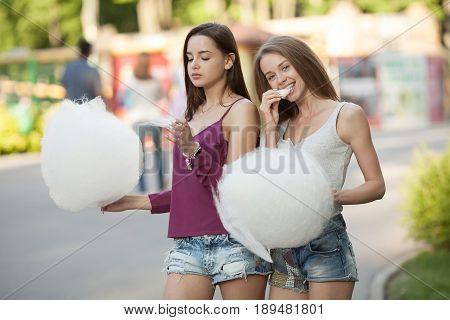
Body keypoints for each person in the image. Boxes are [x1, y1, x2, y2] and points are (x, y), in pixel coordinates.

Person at [101, 23, 271, 300]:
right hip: (188, 245)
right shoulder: (189, 117)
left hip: (235, 242)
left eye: (205, 57)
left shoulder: (241, 110)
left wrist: (193, 149)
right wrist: (130, 201)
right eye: (189, 58)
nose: (195, 65)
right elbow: (188, 193)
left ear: (229, 60)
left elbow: (235, 188)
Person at [253, 35, 385, 300]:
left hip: (325, 242)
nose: (279, 80)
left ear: (304, 62)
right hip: (283, 248)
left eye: (285, 67)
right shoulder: (278, 125)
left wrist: (336, 195)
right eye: (270, 76)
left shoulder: (346, 115)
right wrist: (268, 123)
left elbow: (377, 186)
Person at [120, 52, 167, 192]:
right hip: (154, 119)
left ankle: (141, 185)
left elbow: (123, 99)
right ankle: (159, 183)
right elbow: (161, 96)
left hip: (137, 120)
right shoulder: (155, 80)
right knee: (158, 152)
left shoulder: (130, 80)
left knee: (140, 155)